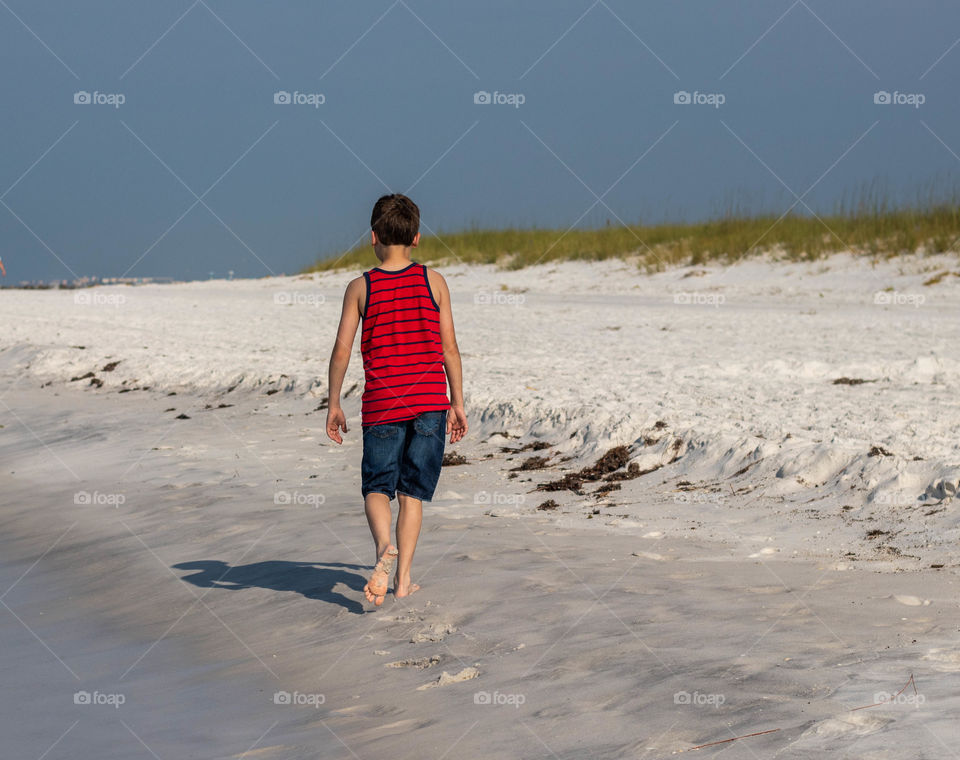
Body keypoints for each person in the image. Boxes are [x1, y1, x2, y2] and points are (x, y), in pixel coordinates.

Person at [326, 194, 468, 606]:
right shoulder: (434, 281)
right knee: (412, 494)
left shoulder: (360, 287)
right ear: (417, 238)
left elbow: (341, 352)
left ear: (373, 237)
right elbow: (450, 349)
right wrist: (456, 403)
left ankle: (382, 547)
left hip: (383, 407)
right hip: (429, 404)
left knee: (376, 486)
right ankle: (403, 580)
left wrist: (334, 403)